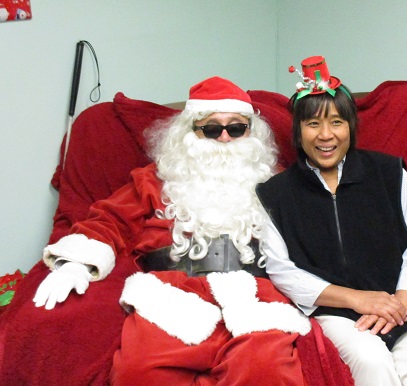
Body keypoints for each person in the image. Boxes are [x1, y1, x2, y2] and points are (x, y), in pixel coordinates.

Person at [33, 76, 312, 385]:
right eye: (211, 129)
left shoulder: (276, 184)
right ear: (188, 133)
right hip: (173, 297)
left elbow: (315, 233)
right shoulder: (153, 180)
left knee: (264, 370)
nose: (224, 139)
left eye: (236, 129)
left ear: (251, 134)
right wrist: (76, 264)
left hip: (255, 299)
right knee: (137, 373)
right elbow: (109, 221)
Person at [256, 56, 407, 386]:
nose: (325, 135)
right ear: (298, 131)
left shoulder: (390, 173)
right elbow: (282, 269)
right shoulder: (275, 194)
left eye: (336, 122)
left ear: (351, 126)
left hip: (402, 302)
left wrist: (401, 303)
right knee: (371, 361)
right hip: (335, 311)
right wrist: (357, 299)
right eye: (313, 124)